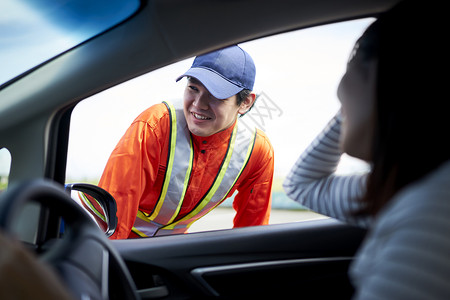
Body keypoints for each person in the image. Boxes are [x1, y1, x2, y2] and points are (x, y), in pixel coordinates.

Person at [283, 1, 450, 299]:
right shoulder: (406, 183)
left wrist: (376, 108)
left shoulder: (434, 210)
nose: (339, 89)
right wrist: (365, 110)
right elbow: (303, 185)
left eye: (355, 64)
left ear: (394, 75)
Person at [97, 45, 274, 239]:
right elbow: (115, 216)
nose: (198, 104)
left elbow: (251, 234)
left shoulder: (257, 152)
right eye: (193, 88)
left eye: (215, 95)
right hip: (94, 231)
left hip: (163, 245)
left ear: (246, 102)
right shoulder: (155, 125)